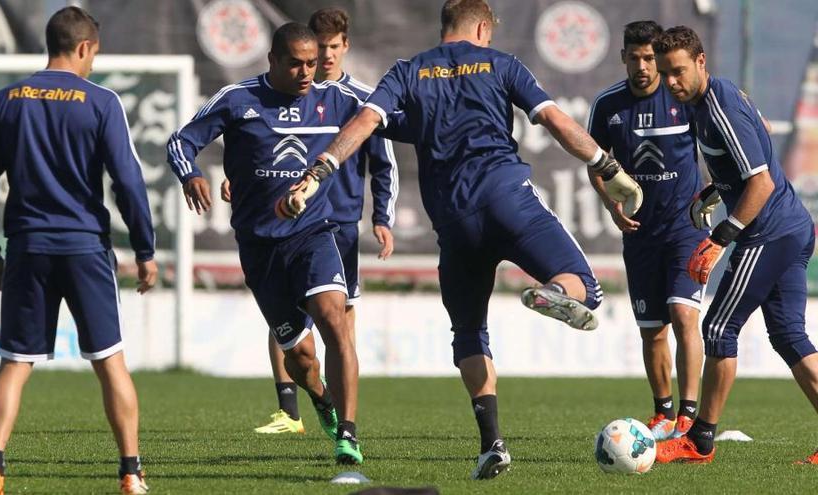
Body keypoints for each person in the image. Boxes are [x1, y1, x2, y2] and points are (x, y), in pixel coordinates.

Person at [276, 0, 642, 479]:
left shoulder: (409, 71)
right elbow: (553, 120)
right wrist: (605, 165)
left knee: (469, 334)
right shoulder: (501, 64)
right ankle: (554, 293)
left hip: (453, 221)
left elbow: (365, 124)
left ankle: (492, 444)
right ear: (484, 27)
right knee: (585, 288)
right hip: (507, 199)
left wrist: (318, 170)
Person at [167, 22, 377, 465]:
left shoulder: (338, 100)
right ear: (274, 61)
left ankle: (349, 435)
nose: (307, 73)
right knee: (302, 361)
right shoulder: (238, 99)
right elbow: (180, 142)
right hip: (261, 249)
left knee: (334, 320)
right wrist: (192, 173)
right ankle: (321, 400)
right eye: (296, 64)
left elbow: (391, 119)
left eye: (313, 64)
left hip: (314, 234)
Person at [0, 6, 157, 495]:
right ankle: (131, 473)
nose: (94, 62)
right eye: (94, 53)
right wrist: (145, 250)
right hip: (84, 249)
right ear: (83, 47)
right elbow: (129, 183)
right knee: (110, 361)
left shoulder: (5, 101)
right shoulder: (100, 102)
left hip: (28, 247)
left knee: (14, 362)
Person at [220, 7, 400, 436]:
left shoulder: (359, 101)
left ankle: (345, 419)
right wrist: (242, 181)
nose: (323, 58)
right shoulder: (285, 96)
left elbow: (384, 162)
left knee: (337, 317)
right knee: (290, 327)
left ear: (344, 47)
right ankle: (292, 409)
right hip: (280, 227)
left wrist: (382, 216)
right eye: (316, 50)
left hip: (335, 224)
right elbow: (263, 152)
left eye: (331, 48)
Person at [652, 26, 818, 464]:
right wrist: (714, 192)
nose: (671, 82)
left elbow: (760, 181)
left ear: (701, 62)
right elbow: (757, 137)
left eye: (678, 71)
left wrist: (718, 239)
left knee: (718, 329)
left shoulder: (717, 103)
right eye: (665, 73)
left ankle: (699, 440)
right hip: (792, 227)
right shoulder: (709, 100)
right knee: (789, 336)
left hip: (770, 232)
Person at [587, 20, 705, 441]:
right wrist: (612, 209)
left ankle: (690, 416)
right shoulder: (608, 106)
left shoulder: (683, 98)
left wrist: (711, 194)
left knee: (683, 313)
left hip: (686, 228)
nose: (642, 65)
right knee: (652, 327)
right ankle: (663, 413)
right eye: (634, 57)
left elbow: (716, 145)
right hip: (639, 233)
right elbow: (595, 165)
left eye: (649, 57)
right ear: (623, 57)